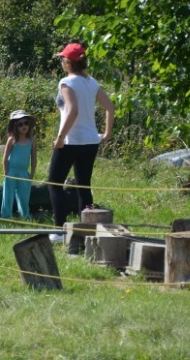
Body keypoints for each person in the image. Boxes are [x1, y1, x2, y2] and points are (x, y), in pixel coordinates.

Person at [48, 43, 115, 240]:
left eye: (62, 58)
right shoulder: (92, 82)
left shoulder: (67, 82)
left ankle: (60, 230)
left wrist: (60, 138)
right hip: (90, 141)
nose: (61, 61)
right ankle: (87, 230)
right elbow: (110, 107)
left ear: (69, 62)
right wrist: (106, 133)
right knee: (83, 185)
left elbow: (73, 110)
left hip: (71, 141)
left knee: (54, 183)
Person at [0, 110, 37, 219]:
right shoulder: (12, 140)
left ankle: (25, 216)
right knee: (8, 195)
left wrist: (32, 174)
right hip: (11, 171)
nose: (24, 126)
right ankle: (6, 216)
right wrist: (6, 171)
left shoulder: (32, 140)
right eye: (20, 124)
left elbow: (34, 158)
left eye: (26, 123)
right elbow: (5, 157)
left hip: (24, 173)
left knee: (24, 197)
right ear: (14, 126)